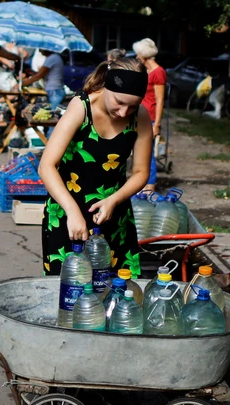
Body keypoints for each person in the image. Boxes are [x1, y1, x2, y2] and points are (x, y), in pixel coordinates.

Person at [38, 58, 152, 276]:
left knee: (117, 293)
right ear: (107, 86)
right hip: (67, 212)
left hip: (114, 216)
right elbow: (47, 166)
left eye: (133, 106)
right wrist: (72, 212)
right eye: (119, 102)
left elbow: (141, 172)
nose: (124, 112)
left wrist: (114, 200)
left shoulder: (141, 116)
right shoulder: (81, 107)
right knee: (70, 291)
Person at [133, 38, 166, 193]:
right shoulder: (146, 71)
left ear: (144, 54)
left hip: (151, 118)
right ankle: (141, 183)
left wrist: (157, 124)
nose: (137, 56)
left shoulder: (158, 72)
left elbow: (160, 100)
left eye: (138, 53)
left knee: (148, 152)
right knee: (139, 150)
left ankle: (150, 186)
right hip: (141, 116)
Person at [21, 49, 65, 138]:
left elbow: (39, 75)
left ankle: (50, 142)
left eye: (41, 49)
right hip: (55, 91)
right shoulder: (55, 58)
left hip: (55, 91)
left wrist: (22, 83)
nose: (40, 51)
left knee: (52, 119)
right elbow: (43, 74)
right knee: (51, 118)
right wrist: (32, 73)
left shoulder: (52, 58)